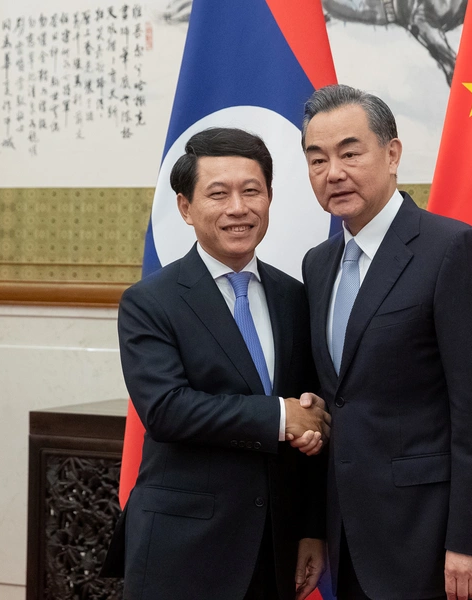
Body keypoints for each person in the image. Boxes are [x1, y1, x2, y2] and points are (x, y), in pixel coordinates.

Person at [298, 85, 472, 600]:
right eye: (317, 159)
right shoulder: (318, 264)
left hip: (432, 541)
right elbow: (339, 395)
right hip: (348, 538)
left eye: (350, 153)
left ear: (392, 154)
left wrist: (470, 540)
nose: (334, 173)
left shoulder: (452, 249)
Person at [109, 127, 329, 600]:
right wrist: (280, 416)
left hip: (274, 548)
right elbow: (167, 409)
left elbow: (307, 410)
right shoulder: (150, 302)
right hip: (183, 550)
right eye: (218, 193)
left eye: (252, 191)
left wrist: (312, 528)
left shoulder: (294, 296)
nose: (237, 208)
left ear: (269, 197)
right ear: (186, 208)